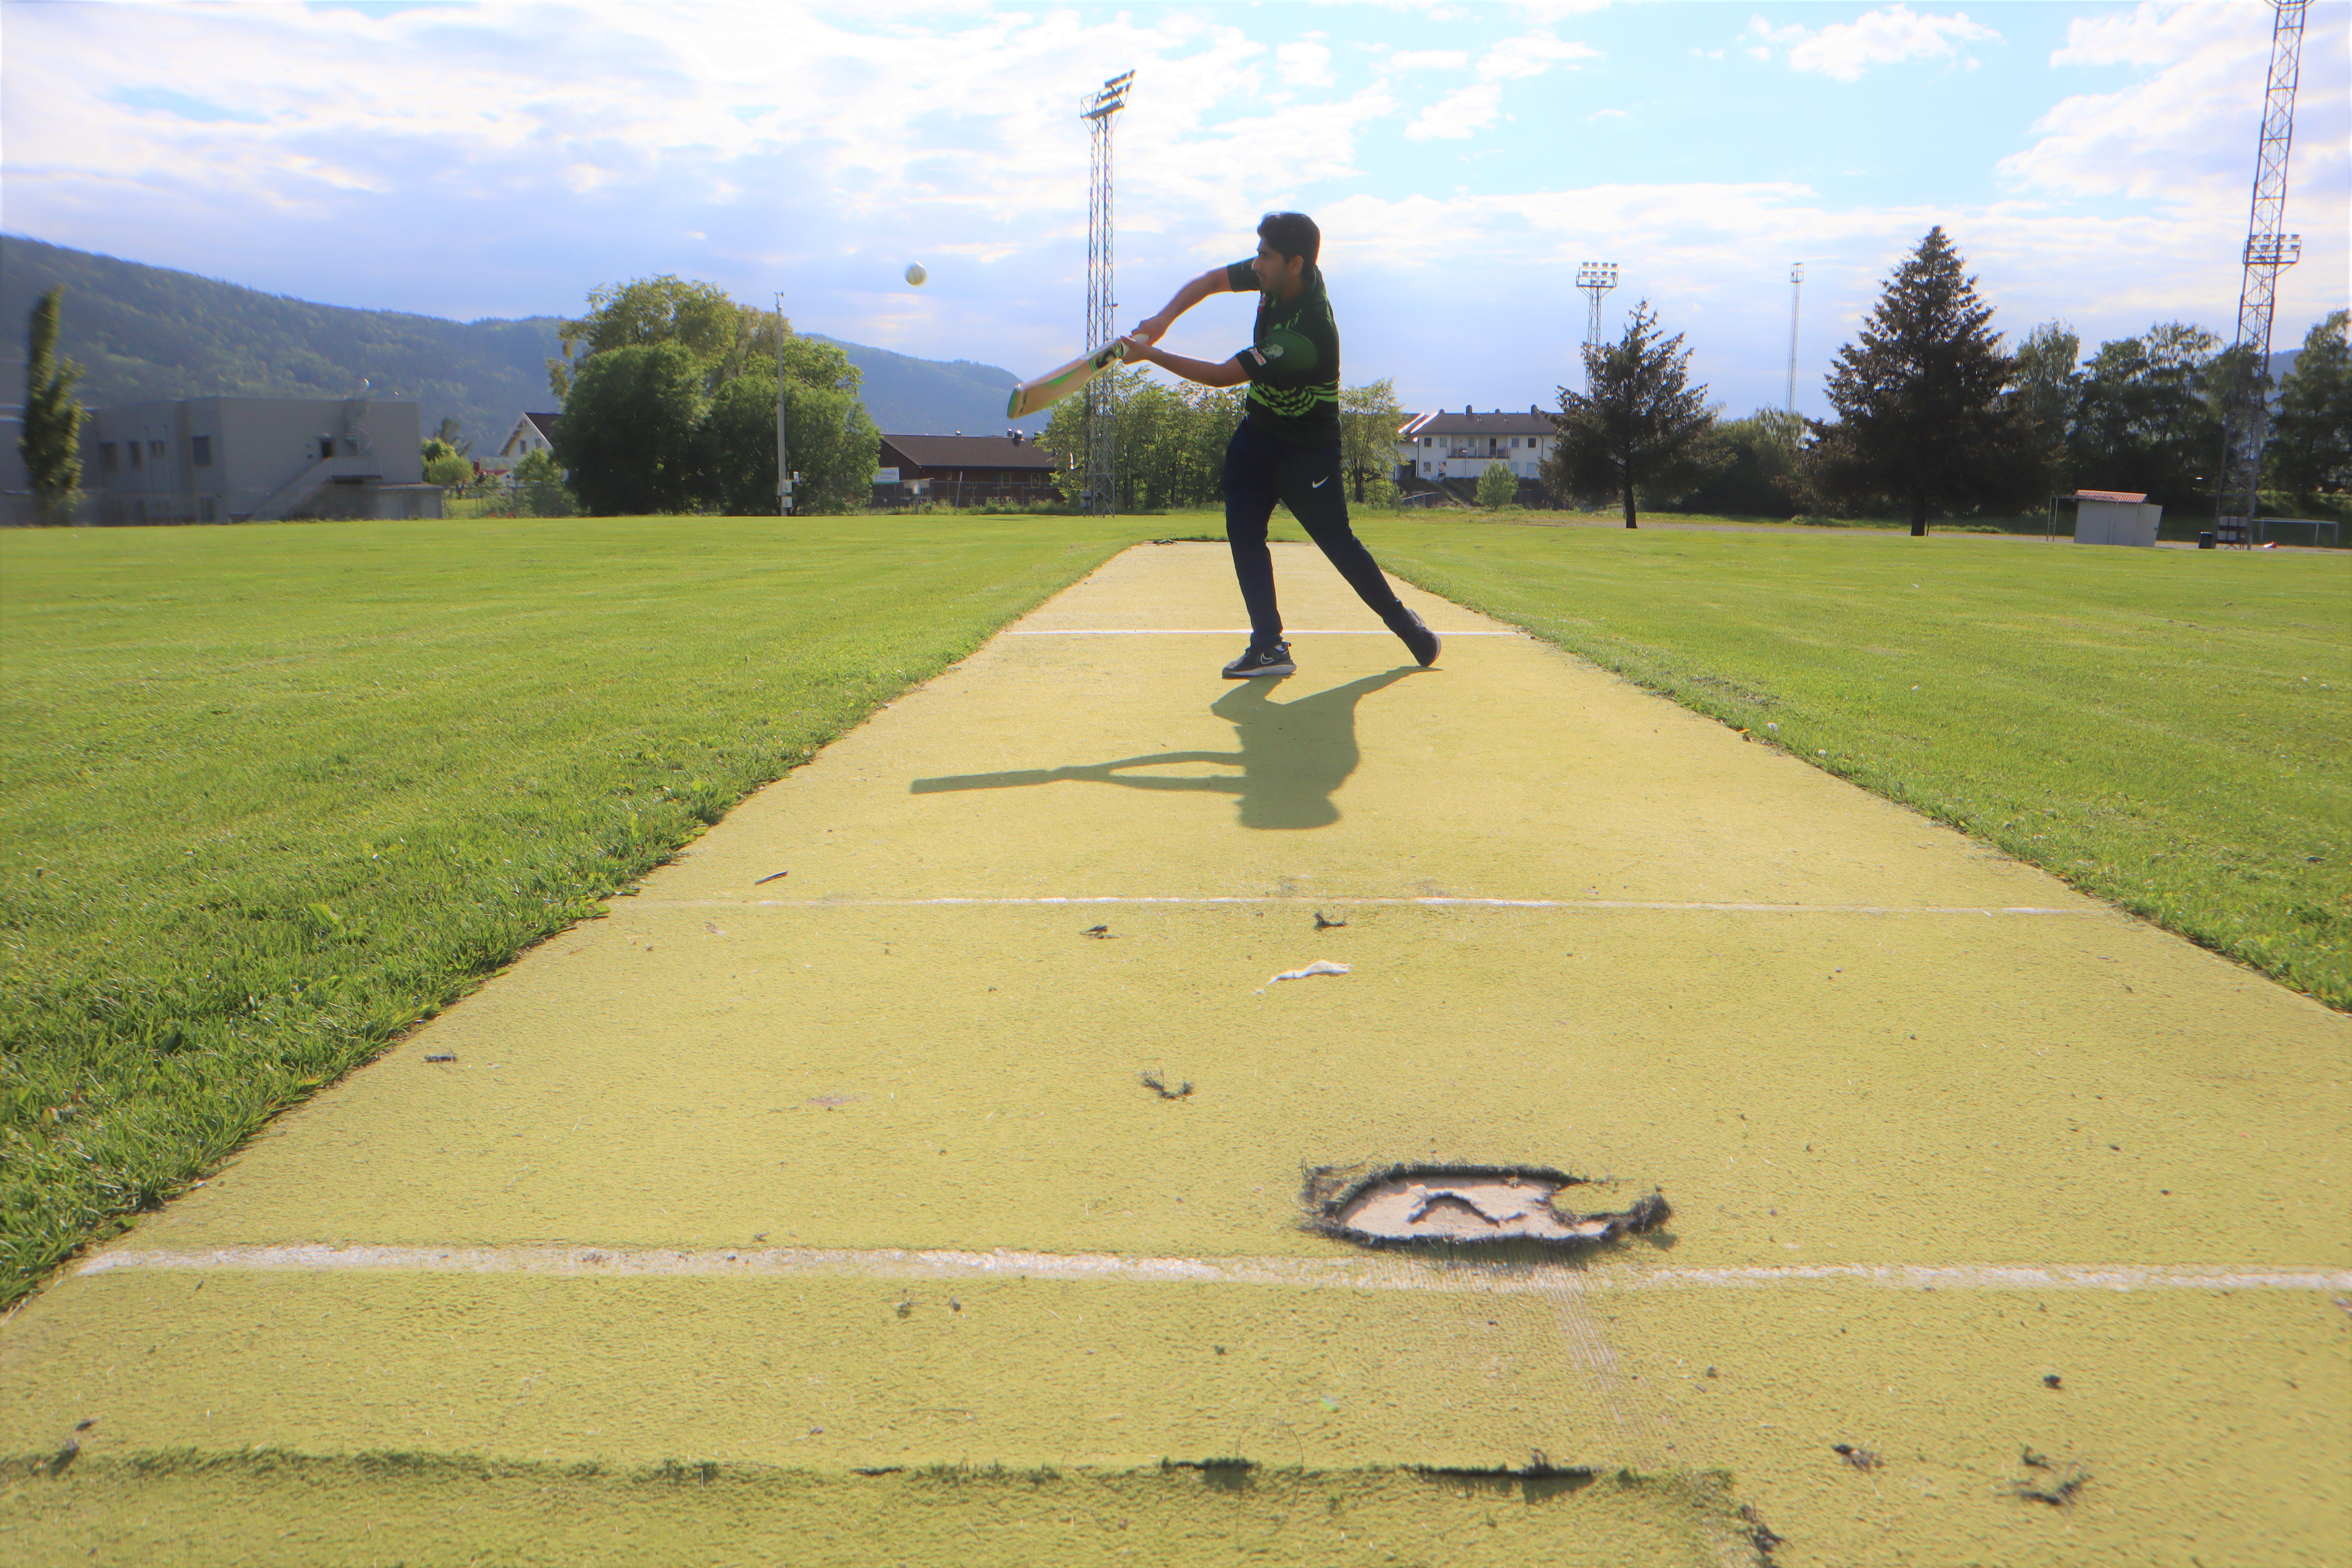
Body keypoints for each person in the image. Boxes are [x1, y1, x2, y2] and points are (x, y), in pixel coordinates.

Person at [1121, 212, 1439, 679]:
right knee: (1244, 531)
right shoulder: (1278, 275)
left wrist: (1150, 355)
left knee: (1338, 545)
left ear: (1295, 263)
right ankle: (1268, 646)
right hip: (1258, 434)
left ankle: (1405, 625)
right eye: (1257, 253)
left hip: (1307, 450)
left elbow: (1220, 376)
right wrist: (1162, 319)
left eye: (1265, 256)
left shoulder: (1307, 332)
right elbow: (1210, 280)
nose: (1257, 264)